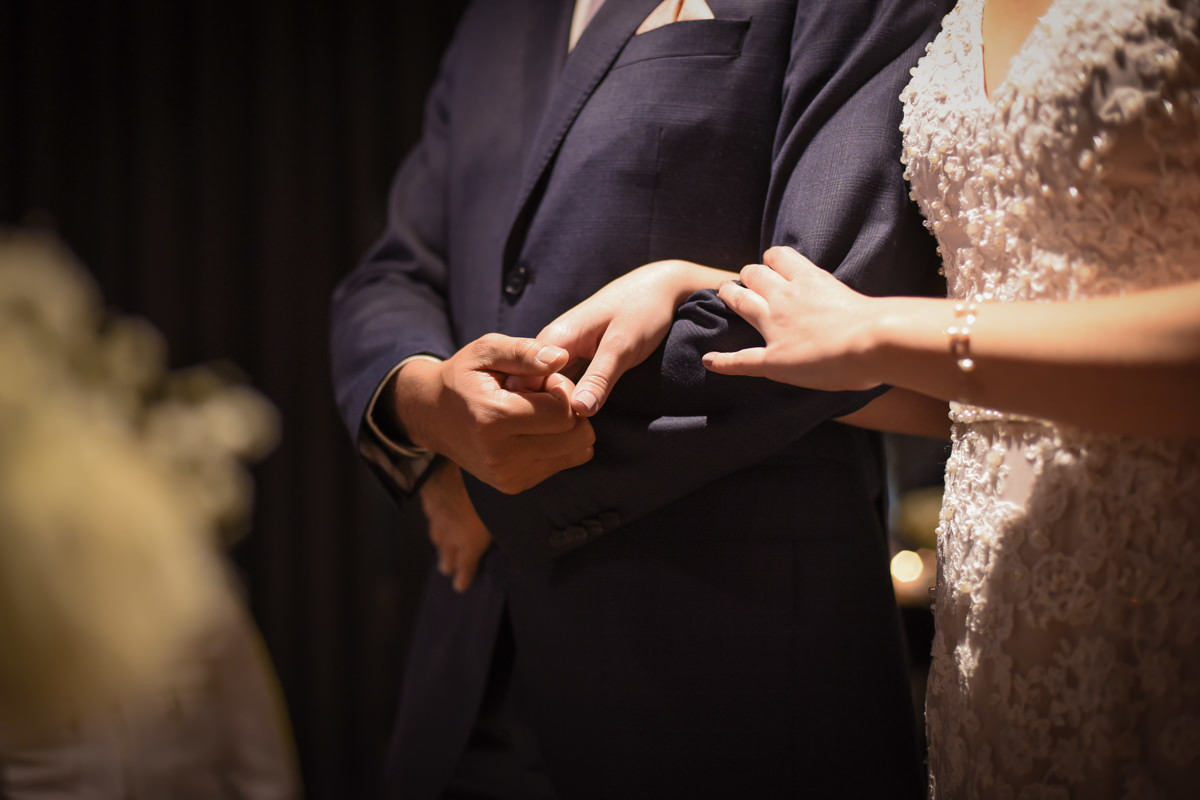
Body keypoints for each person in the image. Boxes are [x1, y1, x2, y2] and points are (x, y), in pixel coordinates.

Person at [544, 0, 1200, 796]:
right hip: (999, 595)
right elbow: (953, 389)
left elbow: (885, 336)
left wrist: (882, 330)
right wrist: (691, 284)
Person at [330, 0, 951, 797]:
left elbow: (848, 288)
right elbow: (394, 272)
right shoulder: (495, 23)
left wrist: (504, 469)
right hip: (470, 671)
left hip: (730, 670)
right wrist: (423, 406)